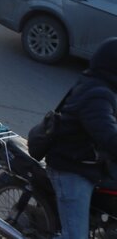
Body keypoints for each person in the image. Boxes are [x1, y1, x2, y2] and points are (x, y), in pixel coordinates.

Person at [43, 38, 117, 239]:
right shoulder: (97, 95)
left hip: (92, 160)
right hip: (72, 167)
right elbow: (109, 137)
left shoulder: (103, 86)